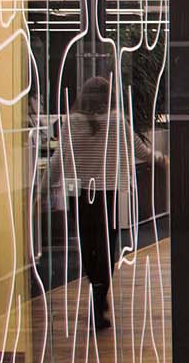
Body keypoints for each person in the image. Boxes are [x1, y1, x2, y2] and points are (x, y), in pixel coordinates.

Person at [61, 76, 165, 330]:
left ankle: (96, 290)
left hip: (80, 195)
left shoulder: (70, 123)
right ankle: (99, 297)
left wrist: (41, 188)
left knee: (87, 246)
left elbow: (59, 158)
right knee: (107, 247)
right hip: (108, 194)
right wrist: (161, 159)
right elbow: (140, 151)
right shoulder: (117, 122)